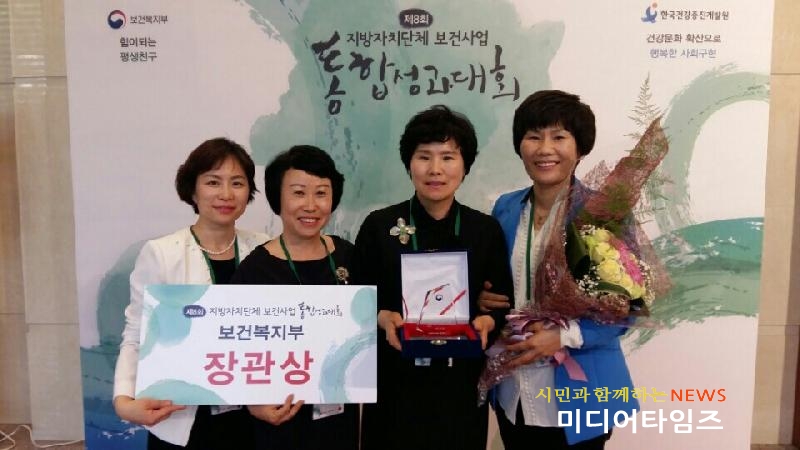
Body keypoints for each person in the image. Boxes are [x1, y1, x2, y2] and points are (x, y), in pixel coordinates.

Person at [479, 90, 640, 449]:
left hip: (581, 392)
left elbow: (627, 307)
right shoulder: (505, 208)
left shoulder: (603, 213)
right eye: (533, 136)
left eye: (559, 137)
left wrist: (563, 336)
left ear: (580, 147)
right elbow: (497, 280)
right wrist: (483, 297)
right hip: (514, 389)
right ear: (520, 146)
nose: (544, 149)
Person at [353, 105, 514, 450]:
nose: (435, 169)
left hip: (459, 386)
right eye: (424, 157)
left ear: (465, 165)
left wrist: (488, 320)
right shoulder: (379, 226)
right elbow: (357, 299)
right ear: (409, 163)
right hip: (395, 384)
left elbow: (502, 302)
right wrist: (381, 317)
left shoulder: (484, 230)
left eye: (448, 157)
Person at [113, 138, 268, 448]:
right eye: (213, 182)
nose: (226, 194)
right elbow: (137, 333)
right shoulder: (162, 253)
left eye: (237, 183)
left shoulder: (263, 247)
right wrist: (124, 400)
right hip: (182, 415)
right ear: (193, 190)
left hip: (252, 415)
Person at [230, 145, 359, 450]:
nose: (311, 206)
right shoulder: (255, 269)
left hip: (339, 418)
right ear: (278, 198)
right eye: (299, 193)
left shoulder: (349, 256)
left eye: (321, 193)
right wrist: (250, 401)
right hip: (280, 417)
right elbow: (231, 347)